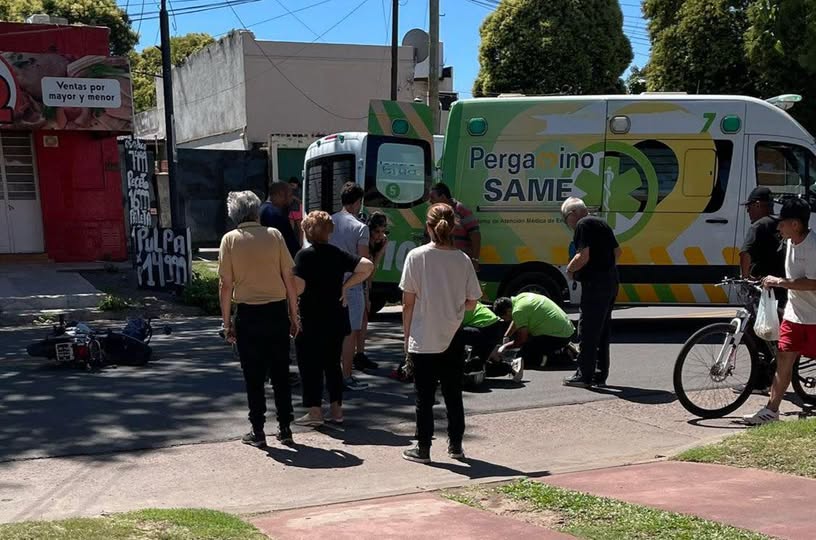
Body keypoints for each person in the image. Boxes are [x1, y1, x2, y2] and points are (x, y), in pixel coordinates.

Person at [400, 203, 483, 464]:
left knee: (424, 398)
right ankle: (456, 446)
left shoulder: (416, 256)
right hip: (453, 334)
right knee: (453, 394)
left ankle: (423, 448)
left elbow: (407, 302)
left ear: (428, 227)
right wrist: (454, 306)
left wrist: (406, 338)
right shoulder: (463, 259)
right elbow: (472, 301)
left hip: (423, 336)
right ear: (454, 227)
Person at [218, 190, 300, 448]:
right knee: (280, 373)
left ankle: (258, 429)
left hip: (248, 314)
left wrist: (226, 322)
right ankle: (285, 426)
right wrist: (294, 315)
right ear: (256, 211)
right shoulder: (274, 235)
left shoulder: (230, 240)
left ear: (234, 214)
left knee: (252, 376)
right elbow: (289, 278)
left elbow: (225, 285)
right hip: (276, 312)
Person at [292, 211, 374, 427]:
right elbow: (367, 266)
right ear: (329, 231)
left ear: (308, 231)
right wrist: (346, 286)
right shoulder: (337, 253)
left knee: (310, 365)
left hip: (312, 317)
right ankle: (337, 410)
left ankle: (314, 411)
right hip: (336, 316)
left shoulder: (304, 256)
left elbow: (299, 288)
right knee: (332, 364)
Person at [744, 197, 816, 425]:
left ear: (795, 224)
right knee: (783, 359)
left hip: (814, 318)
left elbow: (813, 283)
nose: (778, 226)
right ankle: (771, 410)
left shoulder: (813, 246)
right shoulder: (787, 243)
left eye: (782, 222)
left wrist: (781, 282)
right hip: (795, 316)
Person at [561, 197, 620, 388]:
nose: (569, 225)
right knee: (602, 331)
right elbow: (618, 252)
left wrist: (569, 270)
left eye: (566, 220)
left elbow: (583, 255)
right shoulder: (601, 223)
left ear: (572, 214)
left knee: (587, 330)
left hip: (595, 283)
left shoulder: (583, 224)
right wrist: (605, 266)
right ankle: (600, 374)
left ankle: (583, 376)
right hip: (611, 281)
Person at [738, 186, 787, 393]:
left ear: (758, 205)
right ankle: (774, 374)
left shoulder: (758, 226)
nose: (748, 211)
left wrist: (745, 277)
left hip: (762, 288)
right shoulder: (781, 225)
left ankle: (761, 381)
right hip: (783, 286)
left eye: (750, 207)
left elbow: (745, 254)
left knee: (754, 332)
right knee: (777, 332)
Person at [329, 182, 371, 390]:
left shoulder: (329, 221)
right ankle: (346, 376)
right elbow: (362, 262)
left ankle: (331, 373)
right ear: (357, 202)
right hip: (351, 285)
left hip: (329, 282)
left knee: (331, 331)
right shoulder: (360, 227)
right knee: (350, 333)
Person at [493, 293, 576, 369]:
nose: (505, 321)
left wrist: (505, 347)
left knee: (523, 357)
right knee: (529, 343)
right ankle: (564, 346)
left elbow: (522, 340)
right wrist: (506, 336)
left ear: (508, 311)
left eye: (504, 318)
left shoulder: (518, 311)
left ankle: (564, 356)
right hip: (566, 330)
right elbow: (517, 320)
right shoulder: (521, 298)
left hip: (558, 336)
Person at [356, 211, 389, 371]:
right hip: (358, 284)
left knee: (363, 322)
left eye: (383, 232)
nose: (380, 235)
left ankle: (360, 353)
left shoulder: (373, 244)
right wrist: (380, 253)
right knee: (360, 323)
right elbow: (370, 270)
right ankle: (357, 354)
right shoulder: (365, 243)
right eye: (377, 231)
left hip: (364, 285)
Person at [457, 302, 519, 381]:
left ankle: (508, 367)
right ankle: (509, 367)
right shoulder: (469, 299)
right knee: (478, 364)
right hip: (492, 327)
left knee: (455, 337)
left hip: (485, 328)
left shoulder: (456, 305)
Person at [428, 183, 481, 269]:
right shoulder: (434, 213)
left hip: (460, 263)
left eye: (432, 198)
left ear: (443, 197)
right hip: (438, 262)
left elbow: (475, 236)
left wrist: (475, 259)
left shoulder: (461, 210)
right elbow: (427, 237)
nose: (430, 201)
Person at [260, 181, 300, 258]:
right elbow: (290, 244)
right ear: (281, 194)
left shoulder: (260, 210)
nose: (292, 199)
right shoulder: (277, 214)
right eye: (290, 195)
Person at [288, 177, 303, 246]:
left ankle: (300, 244)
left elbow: (301, 201)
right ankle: (292, 243)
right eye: (290, 185)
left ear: (296, 184)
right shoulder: (289, 190)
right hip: (291, 210)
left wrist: (294, 198)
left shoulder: (300, 191)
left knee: (300, 229)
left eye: (293, 185)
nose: (292, 186)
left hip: (298, 210)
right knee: (291, 228)